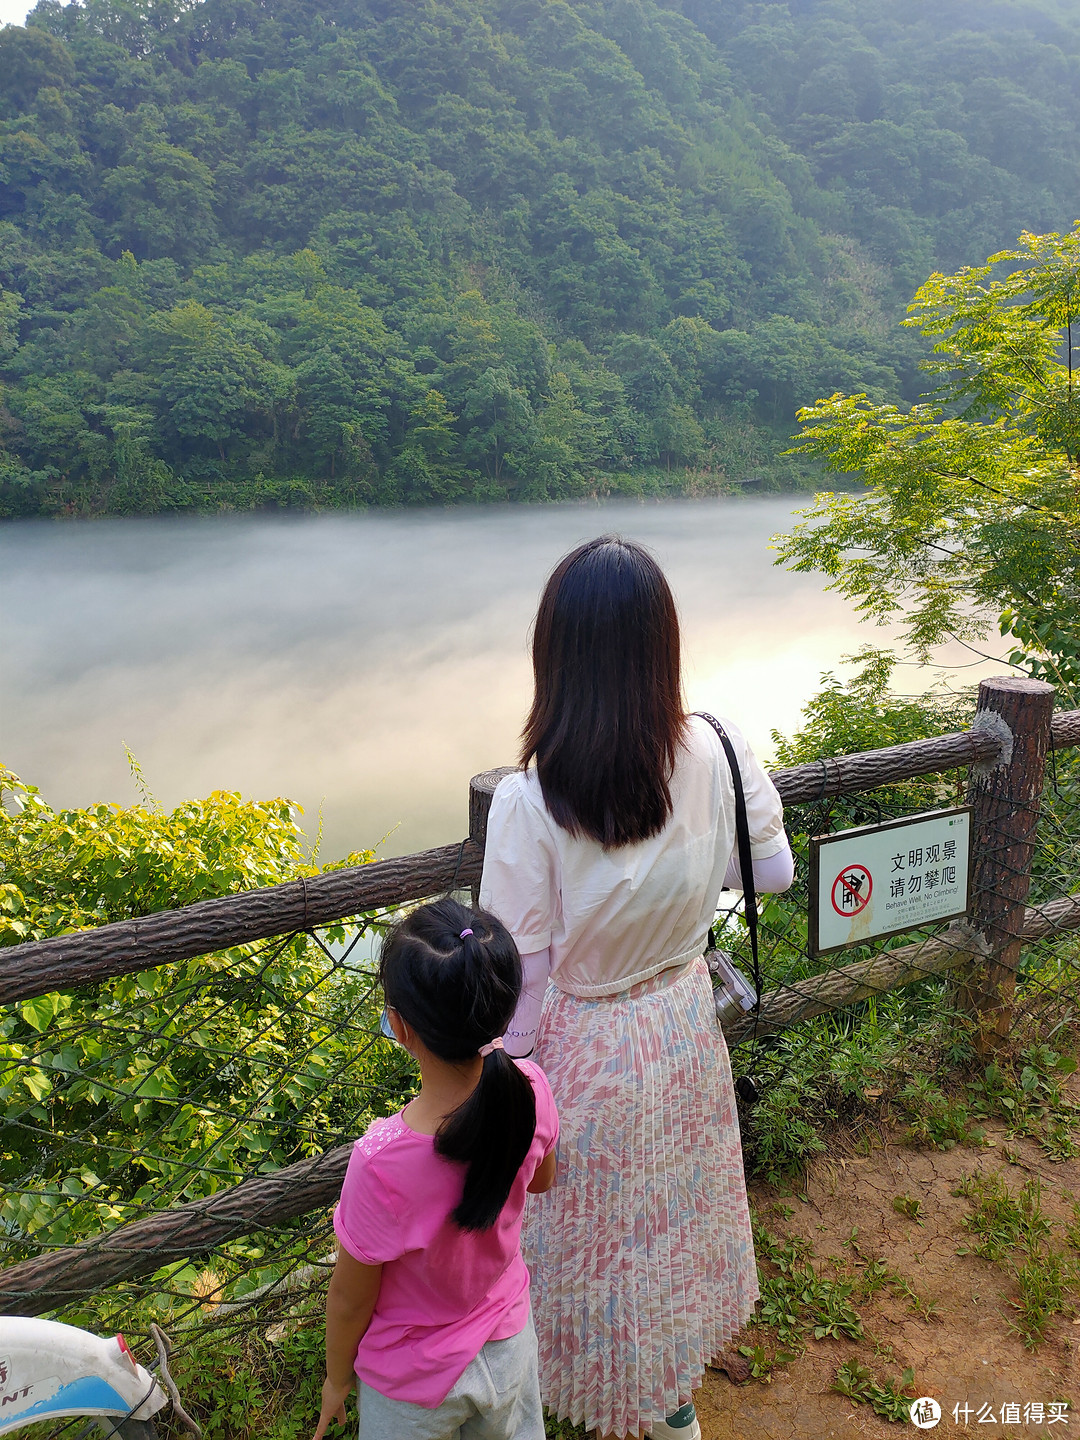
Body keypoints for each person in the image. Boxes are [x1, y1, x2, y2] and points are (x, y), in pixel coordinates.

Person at [479, 536, 795, 1440]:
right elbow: (768, 874)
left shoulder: (528, 801)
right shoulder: (718, 749)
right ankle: (670, 1409)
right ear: (664, 647)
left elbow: (521, 977)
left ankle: (587, 1400)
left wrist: (510, 1091)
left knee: (585, 1245)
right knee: (671, 1222)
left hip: (586, 1045)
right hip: (684, 1021)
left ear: (556, 655)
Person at [312, 897, 559, 1440]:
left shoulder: (380, 1162)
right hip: (508, 1341)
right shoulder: (534, 1090)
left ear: (400, 1026)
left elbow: (352, 1297)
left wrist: (336, 1379)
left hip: (413, 1386)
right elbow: (542, 1179)